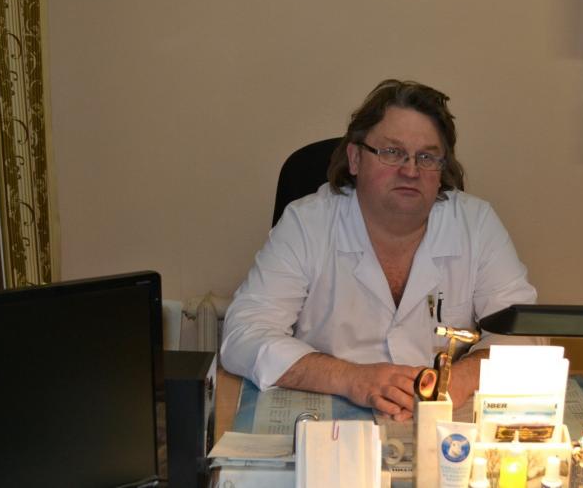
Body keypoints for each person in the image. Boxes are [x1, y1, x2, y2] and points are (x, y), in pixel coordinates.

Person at [221, 79, 539, 422]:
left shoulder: (476, 224)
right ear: (355, 158)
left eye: (427, 157)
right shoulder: (307, 224)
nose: (410, 170)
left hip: (440, 419)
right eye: (392, 152)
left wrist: (455, 381)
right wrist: (351, 378)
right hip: (328, 416)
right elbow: (244, 334)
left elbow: (526, 336)